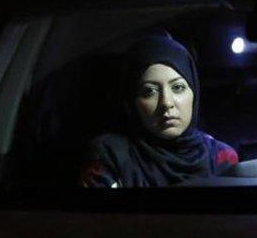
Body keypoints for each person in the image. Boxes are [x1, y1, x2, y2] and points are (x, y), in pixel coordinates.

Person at [81, 35, 238, 187]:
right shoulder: (110, 154)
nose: (166, 103)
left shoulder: (221, 157)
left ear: (194, 93)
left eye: (178, 88)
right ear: (131, 101)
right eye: (149, 92)